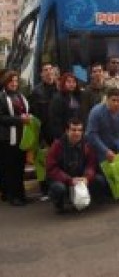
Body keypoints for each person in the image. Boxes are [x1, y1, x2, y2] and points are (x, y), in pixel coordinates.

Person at [46, 118, 107, 213]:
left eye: (79, 130)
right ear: (67, 131)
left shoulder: (87, 144)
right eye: (73, 130)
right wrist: (69, 180)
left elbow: (91, 164)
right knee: (58, 188)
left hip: (81, 179)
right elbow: (52, 169)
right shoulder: (57, 145)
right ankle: (60, 204)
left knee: (100, 180)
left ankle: (91, 200)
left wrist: (87, 177)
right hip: (64, 180)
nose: (77, 133)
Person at [0, 71, 31, 206]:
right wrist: (19, 120)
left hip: (21, 137)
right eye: (11, 81)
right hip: (7, 139)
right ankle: (13, 196)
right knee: (10, 168)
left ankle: (21, 194)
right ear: (6, 82)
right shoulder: (1, 97)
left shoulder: (20, 96)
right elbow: (1, 118)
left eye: (16, 81)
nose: (14, 83)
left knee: (20, 167)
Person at [29, 62, 58, 199]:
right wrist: (40, 138)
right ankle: (45, 191)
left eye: (50, 69)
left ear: (54, 71)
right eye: (45, 70)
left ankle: (57, 188)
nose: (48, 72)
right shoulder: (36, 91)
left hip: (58, 132)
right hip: (44, 134)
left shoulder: (59, 87)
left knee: (57, 162)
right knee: (43, 163)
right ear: (41, 74)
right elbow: (35, 116)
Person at [49, 72, 81, 141]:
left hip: (76, 133)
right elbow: (55, 121)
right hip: (63, 136)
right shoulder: (58, 98)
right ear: (63, 83)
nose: (71, 84)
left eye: (73, 82)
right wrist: (62, 136)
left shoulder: (76, 96)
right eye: (69, 82)